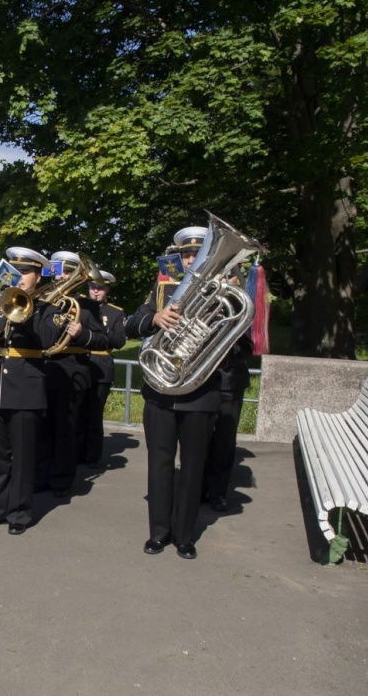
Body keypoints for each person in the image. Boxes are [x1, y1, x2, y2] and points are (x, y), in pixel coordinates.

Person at [125, 225, 219, 560]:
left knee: (193, 467)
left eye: (197, 253)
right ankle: (158, 533)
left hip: (200, 392)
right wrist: (155, 318)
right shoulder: (163, 287)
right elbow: (131, 324)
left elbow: (241, 344)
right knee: (159, 464)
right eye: (186, 254)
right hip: (160, 390)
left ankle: (184, 536)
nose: (191, 259)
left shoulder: (223, 290)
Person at [0, 247, 60, 535]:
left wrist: (28, 312)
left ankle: (20, 514)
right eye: (16, 272)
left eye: (25, 273)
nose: (20, 279)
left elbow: (48, 340)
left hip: (25, 386)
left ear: (38, 275)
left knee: (23, 455)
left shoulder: (49, 307)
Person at [36, 250, 108, 496]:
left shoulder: (86, 305)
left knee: (65, 432)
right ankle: (40, 476)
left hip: (71, 372)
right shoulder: (43, 301)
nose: (63, 276)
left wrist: (82, 334)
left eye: (69, 272)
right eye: (60, 271)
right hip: (43, 371)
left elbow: (104, 340)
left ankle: (62, 480)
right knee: (42, 430)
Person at [203, 267, 254, 512]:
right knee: (198, 438)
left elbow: (247, 349)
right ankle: (198, 486)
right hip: (201, 382)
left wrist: (224, 344)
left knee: (224, 441)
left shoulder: (241, 306)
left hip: (229, 383)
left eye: (228, 276)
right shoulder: (200, 303)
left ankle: (217, 492)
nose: (224, 280)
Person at [77, 270, 126, 467]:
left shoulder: (115, 312)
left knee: (94, 414)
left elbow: (120, 340)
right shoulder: (80, 307)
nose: (95, 292)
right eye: (92, 287)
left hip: (101, 365)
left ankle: (93, 456)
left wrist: (96, 335)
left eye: (99, 288)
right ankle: (77, 453)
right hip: (81, 363)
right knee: (78, 413)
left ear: (107, 289)